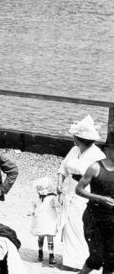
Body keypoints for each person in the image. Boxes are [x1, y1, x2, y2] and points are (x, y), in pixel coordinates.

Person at [57, 115, 106, 269]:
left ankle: (82, 261)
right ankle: (70, 260)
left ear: (79, 138)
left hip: (86, 190)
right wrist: (59, 182)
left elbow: (102, 176)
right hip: (70, 187)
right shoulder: (73, 149)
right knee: (68, 223)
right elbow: (63, 166)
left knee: (80, 224)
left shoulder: (97, 155)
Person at [76, 130, 114, 274]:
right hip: (94, 218)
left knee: (111, 259)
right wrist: (101, 199)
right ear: (108, 150)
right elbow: (79, 189)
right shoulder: (96, 167)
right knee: (96, 257)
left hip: (112, 219)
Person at [29, 177, 61, 265]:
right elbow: (33, 206)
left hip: (50, 219)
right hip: (40, 219)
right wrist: (31, 212)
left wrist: (60, 200)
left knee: (50, 236)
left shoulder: (52, 198)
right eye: (39, 188)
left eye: (42, 188)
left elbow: (57, 205)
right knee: (41, 236)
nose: (40, 190)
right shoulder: (36, 198)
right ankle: (40, 253)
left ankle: (51, 256)